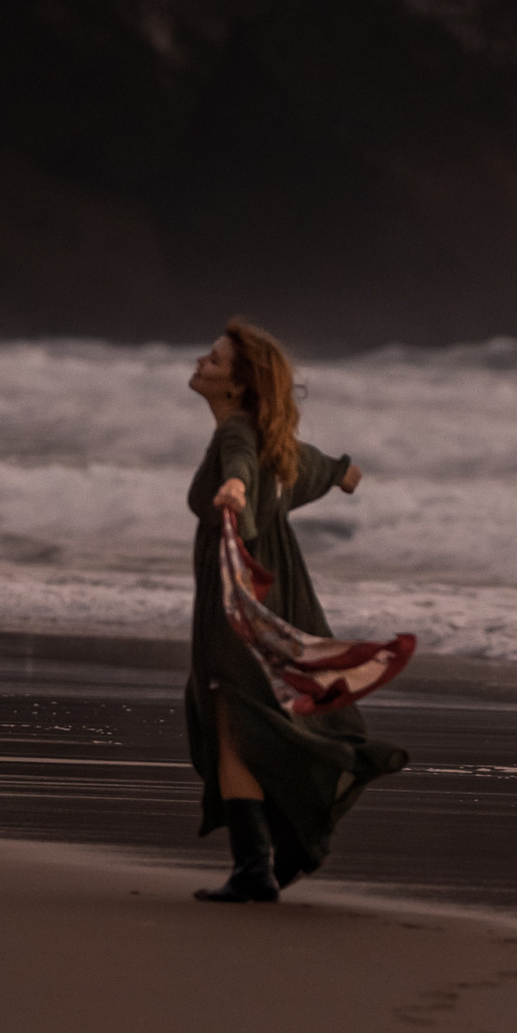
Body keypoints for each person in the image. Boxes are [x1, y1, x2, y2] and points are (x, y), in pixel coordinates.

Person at [184, 322, 410, 903]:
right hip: (283, 591)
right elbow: (312, 468)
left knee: (233, 722)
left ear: (238, 386)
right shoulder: (277, 443)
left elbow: (239, 463)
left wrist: (234, 489)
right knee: (269, 713)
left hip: (240, 596)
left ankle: (255, 867)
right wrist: (343, 473)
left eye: (214, 360)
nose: (201, 363)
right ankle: (276, 852)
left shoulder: (237, 434)